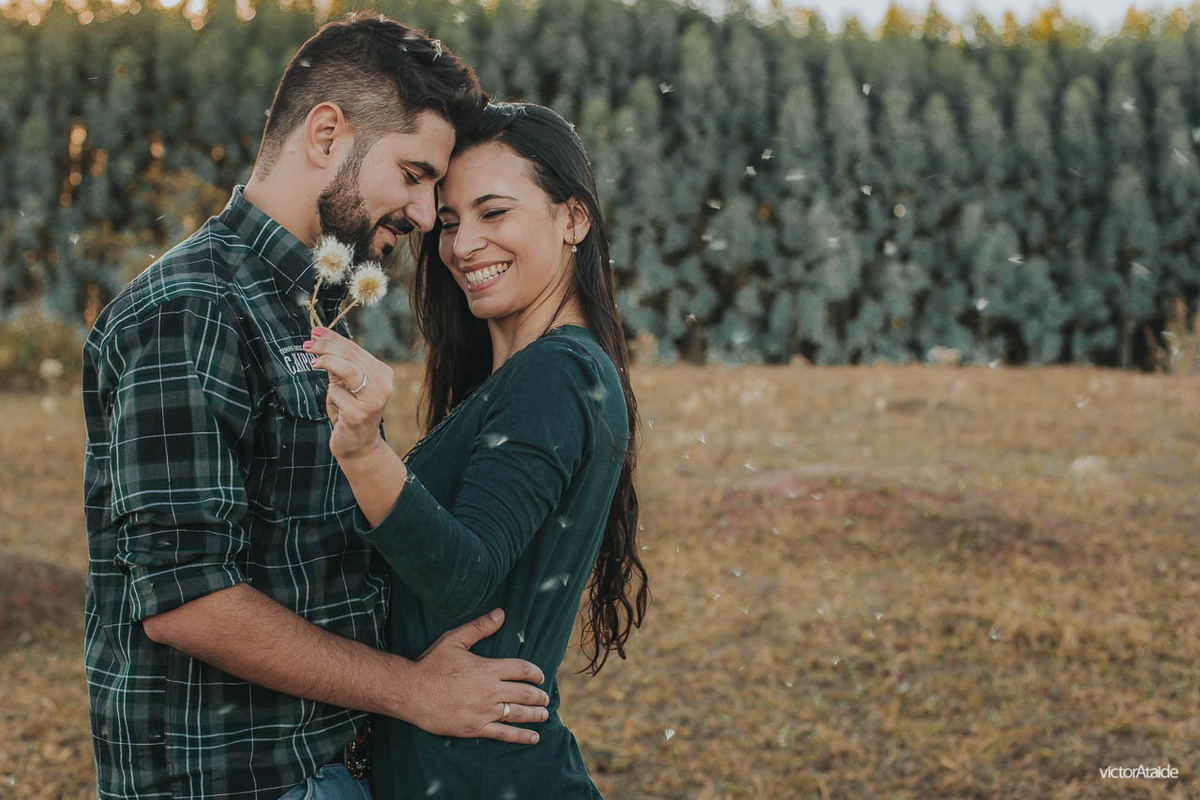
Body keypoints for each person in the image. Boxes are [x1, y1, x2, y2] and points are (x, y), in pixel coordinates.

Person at [82, 17, 549, 800]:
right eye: (414, 173)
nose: (428, 215)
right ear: (327, 134)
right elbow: (187, 603)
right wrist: (413, 691)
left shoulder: (301, 306)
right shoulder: (192, 311)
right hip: (235, 782)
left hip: (318, 769)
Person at [305, 102, 651, 798]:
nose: (463, 247)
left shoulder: (557, 374)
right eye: (454, 221)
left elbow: (466, 578)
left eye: (495, 214)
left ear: (572, 218)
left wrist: (366, 451)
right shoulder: (532, 377)